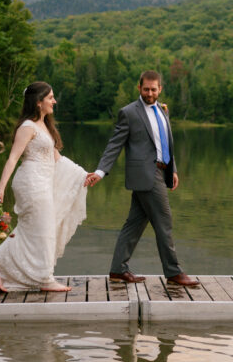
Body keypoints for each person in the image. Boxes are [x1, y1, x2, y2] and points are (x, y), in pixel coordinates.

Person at [0, 82, 89, 293]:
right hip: (31, 182)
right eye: (50, 97)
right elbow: (13, 158)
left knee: (33, 230)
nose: (54, 101)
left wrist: (82, 175)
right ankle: (44, 279)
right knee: (43, 229)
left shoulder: (45, 125)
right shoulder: (27, 127)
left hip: (44, 181)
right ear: (38, 103)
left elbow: (57, 158)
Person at [85, 71, 199, 287]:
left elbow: (166, 142)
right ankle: (174, 272)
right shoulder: (129, 113)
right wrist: (101, 171)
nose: (149, 93)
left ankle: (118, 269)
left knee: (135, 223)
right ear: (139, 88)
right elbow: (114, 144)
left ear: (160, 89)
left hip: (160, 171)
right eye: (146, 89)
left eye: (153, 89)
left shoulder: (163, 110)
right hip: (145, 175)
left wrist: (172, 169)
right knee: (164, 221)